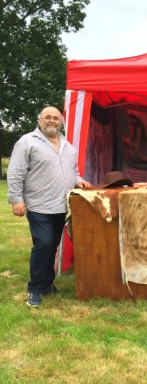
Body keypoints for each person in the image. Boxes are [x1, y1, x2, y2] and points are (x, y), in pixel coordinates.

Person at [7, 106, 91, 307]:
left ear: (61, 122)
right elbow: (16, 172)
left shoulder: (68, 146)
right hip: (38, 205)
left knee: (52, 246)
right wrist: (16, 199)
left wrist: (78, 180)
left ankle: (47, 283)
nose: (52, 121)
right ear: (40, 120)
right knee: (43, 244)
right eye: (48, 117)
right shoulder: (27, 142)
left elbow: (74, 171)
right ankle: (35, 289)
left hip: (61, 206)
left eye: (56, 118)